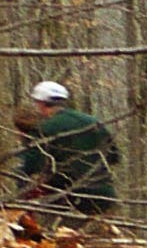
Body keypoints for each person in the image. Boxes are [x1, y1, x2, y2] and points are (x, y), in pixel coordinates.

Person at [15, 83, 119, 225]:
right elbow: (114, 157)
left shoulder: (44, 129)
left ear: (40, 103)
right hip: (104, 197)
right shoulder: (93, 122)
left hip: (68, 202)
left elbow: (30, 167)